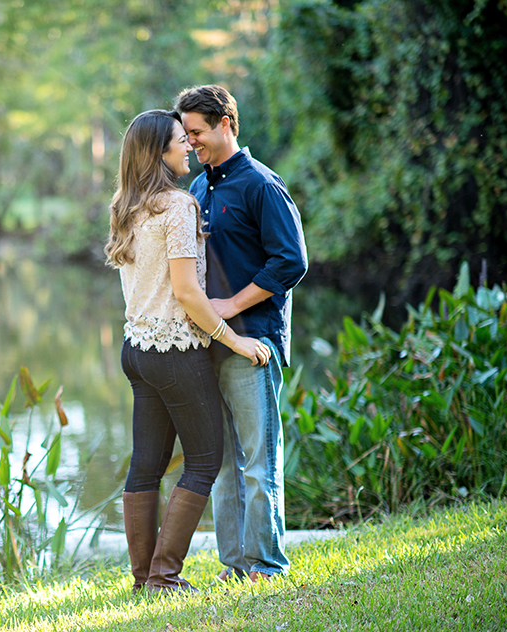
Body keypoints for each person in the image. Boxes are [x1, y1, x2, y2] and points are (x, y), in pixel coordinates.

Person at [105, 109, 272, 594]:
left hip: (136, 349)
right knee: (205, 458)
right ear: (159, 152)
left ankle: (145, 578)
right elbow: (187, 292)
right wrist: (235, 339)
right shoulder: (176, 207)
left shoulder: (127, 205)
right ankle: (164, 577)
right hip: (175, 352)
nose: (189, 147)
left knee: (146, 464)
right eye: (181, 140)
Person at [174, 85, 308, 583]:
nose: (191, 143)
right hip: (209, 344)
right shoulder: (199, 189)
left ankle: (268, 566)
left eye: (198, 132)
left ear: (226, 123)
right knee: (225, 465)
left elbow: (291, 261)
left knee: (259, 461)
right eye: (185, 135)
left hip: (253, 342)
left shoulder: (261, 185)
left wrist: (230, 306)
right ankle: (235, 566)